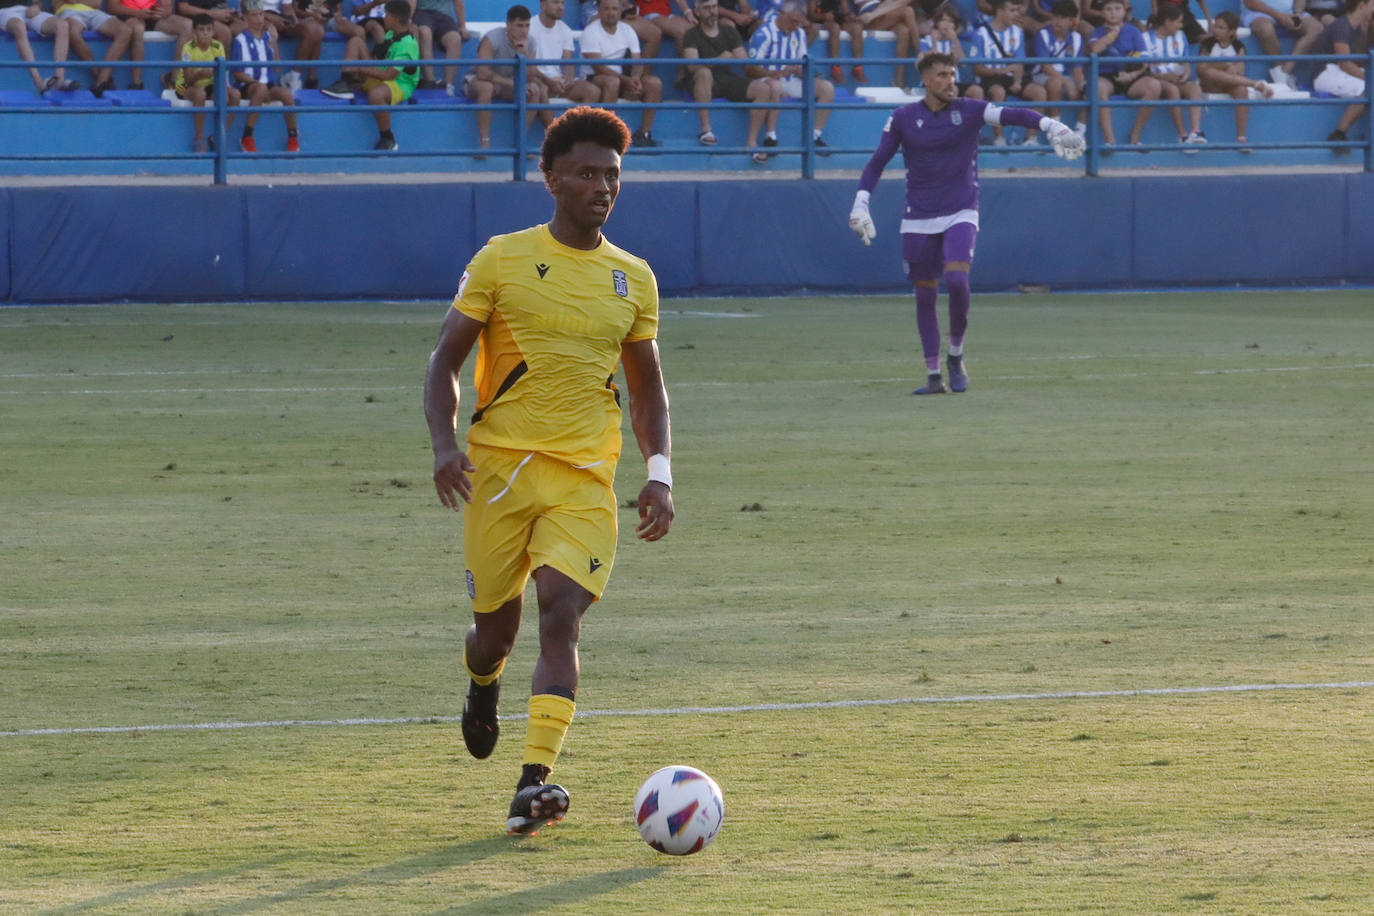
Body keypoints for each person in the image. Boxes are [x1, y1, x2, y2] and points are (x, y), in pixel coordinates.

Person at [424, 105, 674, 837]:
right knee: (494, 635)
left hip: (584, 477)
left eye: (613, 175)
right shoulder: (502, 258)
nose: (603, 186)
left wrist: (659, 472)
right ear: (552, 178)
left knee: (561, 613)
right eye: (588, 173)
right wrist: (445, 445)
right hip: (498, 473)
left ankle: (533, 784)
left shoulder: (633, 278)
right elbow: (444, 360)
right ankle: (481, 683)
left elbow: (649, 385)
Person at [846, 52, 1084, 394]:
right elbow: (877, 162)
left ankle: (955, 355)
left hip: (960, 209)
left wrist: (1053, 125)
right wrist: (860, 202)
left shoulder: (970, 109)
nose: (950, 81)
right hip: (919, 215)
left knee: (957, 280)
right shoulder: (902, 118)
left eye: (952, 74)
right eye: (942, 75)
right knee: (924, 295)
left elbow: (1013, 113)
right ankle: (932, 375)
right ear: (926, 80)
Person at [680, 0, 783, 155]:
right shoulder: (691, 34)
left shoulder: (729, 31)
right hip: (702, 82)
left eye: (714, 7)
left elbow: (743, 60)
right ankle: (706, 130)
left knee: (763, 89)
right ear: (698, 12)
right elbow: (692, 66)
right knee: (703, 73)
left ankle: (751, 143)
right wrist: (720, 59)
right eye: (707, 8)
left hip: (727, 79)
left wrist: (766, 73)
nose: (712, 11)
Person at [321, 0, 419, 149]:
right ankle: (345, 83)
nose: (384, 18)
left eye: (387, 15)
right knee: (356, 41)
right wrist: (362, 66)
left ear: (395, 19)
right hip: (382, 72)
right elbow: (378, 57)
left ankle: (388, 138)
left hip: (401, 83)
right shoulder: (391, 34)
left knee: (376, 94)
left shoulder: (407, 45)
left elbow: (388, 76)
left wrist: (360, 68)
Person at [462, 5, 556, 155]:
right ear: (509, 25)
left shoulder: (530, 42)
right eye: (519, 26)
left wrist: (524, 55)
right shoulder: (492, 39)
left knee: (534, 90)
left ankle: (519, 142)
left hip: (505, 83)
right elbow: (483, 73)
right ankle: (484, 143)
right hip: (477, 81)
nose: (524, 30)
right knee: (486, 87)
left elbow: (531, 76)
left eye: (527, 26)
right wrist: (512, 83)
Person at [745, 0, 834, 154]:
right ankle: (770, 136)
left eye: (799, 23)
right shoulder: (763, 33)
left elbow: (802, 59)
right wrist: (776, 74)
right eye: (793, 21)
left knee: (827, 88)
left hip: (791, 80)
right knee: (776, 86)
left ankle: (814, 137)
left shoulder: (799, 33)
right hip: (767, 80)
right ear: (782, 14)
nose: (796, 26)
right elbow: (751, 69)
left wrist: (801, 69)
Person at [580, 0, 663, 147]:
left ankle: (644, 134)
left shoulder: (627, 30)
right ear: (599, 11)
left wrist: (636, 79)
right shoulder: (590, 32)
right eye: (606, 9)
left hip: (623, 78)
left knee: (654, 83)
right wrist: (626, 80)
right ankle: (608, 134)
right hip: (594, 78)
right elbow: (598, 67)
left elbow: (637, 61)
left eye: (614, 9)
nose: (611, 12)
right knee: (612, 82)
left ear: (620, 11)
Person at [972, 0, 1048, 145]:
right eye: (1012, 11)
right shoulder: (980, 33)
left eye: (1017, 10)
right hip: (991, 77)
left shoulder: (1017, 31)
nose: (1016, 15)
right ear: (1000, 11)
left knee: (1040, 92)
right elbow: (977, 68)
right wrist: (1000, 70)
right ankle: (999, 139)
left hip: (1013, 77)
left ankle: (1031, 139)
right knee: (998, 92)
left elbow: (1019, 62)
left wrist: (1017, 81)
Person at [1090, 0, 1161, 149]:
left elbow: (1145, 59)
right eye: (1108, 9)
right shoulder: (1096, 32)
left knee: (1154, 86)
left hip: (1131, 75)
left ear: (1124, 11)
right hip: (1106, 76)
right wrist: (1113, 33)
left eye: (1117, 8)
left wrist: (1132, 75)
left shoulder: (1134, 31)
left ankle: (1135, 135)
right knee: (1097, 87)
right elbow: (1095, 49)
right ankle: (1110, 141)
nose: (1113, 12)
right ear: (1102, 13)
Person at [1197, 9, 1272, 149]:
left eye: (1221, 28)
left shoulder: (1239, 46)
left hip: (1229, 83)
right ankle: (1254, 84)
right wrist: (1225, 66)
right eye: (1215, 26)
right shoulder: (1207, 43)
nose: (1216, 30)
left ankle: (1241, 138)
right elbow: (1201, 69)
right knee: (1209, 72)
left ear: (1231, 31)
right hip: (1210, 83)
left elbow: (1240, 70)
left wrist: (1227, 68)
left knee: (1241, 90)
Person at [231, 0, 300, 152]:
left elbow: (276, 67)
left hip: (267, 84)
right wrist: (254, 82)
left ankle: (293, 136)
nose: (259, 19)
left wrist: (274, 45)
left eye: (261, 14)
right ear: (246, 18)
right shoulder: (240, 40)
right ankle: (247, 136)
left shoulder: (269, 38)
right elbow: (237, 73)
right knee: (260, 88)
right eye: (254, 15)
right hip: (247, 85)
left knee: (287, 95)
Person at [1307, 0, 1371, 147]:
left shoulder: (1357, 28)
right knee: (1369, 88)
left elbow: (1357, 62)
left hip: (1339, 71)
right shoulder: (1341, 26)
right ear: (1362, 6)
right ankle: (1339, 133)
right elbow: (1345, 64)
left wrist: (1366, 31)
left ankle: (1368, 133)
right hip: (1325, 73)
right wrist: (1369, 78)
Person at [176, 12, 242, 151]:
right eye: (201, 30)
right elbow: (187, 78)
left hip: (210, 84)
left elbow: (221, 75)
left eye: (209, 30)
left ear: (213, 31)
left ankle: (219, 136)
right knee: (200, 95)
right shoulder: (188, 48)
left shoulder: (218, 47)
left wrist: (222, 91)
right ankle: (199, 139)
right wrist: (200, 74)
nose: (205, 33)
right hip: (187, 85)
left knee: (234, 95)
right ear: (194, 32)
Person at [1143, 5, 1205, 147]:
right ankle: (1182, 134)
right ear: (1167, 21)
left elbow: (1186, 62)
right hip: (1157, 79)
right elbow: (1144, 70)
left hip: (1177, 78)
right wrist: (1165, 77)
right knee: (1173, 90)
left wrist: (1186, 74)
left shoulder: (1181, 36)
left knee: (1194, 89)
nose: (1181, 25)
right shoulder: (1145, 38)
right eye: (1178, 21)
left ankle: (1195, 131)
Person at [106, 0, 193, 91]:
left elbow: (168, 6)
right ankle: (137, 84)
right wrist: (137, 13)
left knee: (188, 25)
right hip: (128, 14)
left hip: (152, 15)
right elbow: (113, 8)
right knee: (138, 28)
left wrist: (164, 12)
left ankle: (174, 80)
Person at [527, 0, 601, 105]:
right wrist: (549, 81)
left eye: (562, 3)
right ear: (543, 5)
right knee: (539, 88)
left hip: (558, 81)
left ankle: (578, 121)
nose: (561, 7)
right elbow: (530, 68)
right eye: (556, 2)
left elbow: (568, 62)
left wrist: (569, 80)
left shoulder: (565, 30)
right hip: (538, 80)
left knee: (593, 91)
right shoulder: (529, 28)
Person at [55, 0, 133, 96]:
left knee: (125, 31)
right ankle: (100, 79)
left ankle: (101, 81)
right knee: (72, 32)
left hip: (94, 13)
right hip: (69, 13)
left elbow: (97, 4)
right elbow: (56, 6)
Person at [0, 2, 81, 94]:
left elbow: (37, 2)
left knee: (62, 25)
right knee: (19, 26)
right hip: (4, 12)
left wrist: (36, 7)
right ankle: (38, 81)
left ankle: (60, 80)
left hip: (27, 10)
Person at [1242, 0, 1324, 87]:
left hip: (1290, 12)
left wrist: (1297, 14)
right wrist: (1280, 17)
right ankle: (1278, 68)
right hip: (1259, 12)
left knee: (1317, 28)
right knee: (1265, 29)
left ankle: (1284, 72)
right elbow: (1250, 2)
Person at [1032, 0, 1084, 133]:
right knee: (1055, 83)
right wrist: (1068, 84)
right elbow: (1045, 67)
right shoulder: (1042, 34)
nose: (1057, 21)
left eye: (1062, 18)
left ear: (1071, 21)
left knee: (1089, 89)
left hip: (1066, 76)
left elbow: (1077, 68)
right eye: (1055, 17)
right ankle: (1055, 130)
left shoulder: (1077, 38)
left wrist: (1080, 85)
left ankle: (1080, 131)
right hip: (1042, 76)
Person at [919, 4, 983, 100]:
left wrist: (955, 42)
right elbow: (927, 63)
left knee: (976, 91)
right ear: (937, 23)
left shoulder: (955, 42)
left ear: (955, 26)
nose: (947, 24)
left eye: (951, 21)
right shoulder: (926, 41)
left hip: (955, 82)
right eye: (944, 20)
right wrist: (934, 43)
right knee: (953, 90)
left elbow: (964, 64)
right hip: (934, 83)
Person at [853, 0, 918, 89]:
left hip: (882, 13)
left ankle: (898, 80)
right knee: (907, 11)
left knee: (904, 31)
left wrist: (875, 13)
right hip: (868, 16)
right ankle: (920, 54)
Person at [261, 0, 325, 89]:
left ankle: (293, 77)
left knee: (315, 29)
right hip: (257, 16)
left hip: (278, 16)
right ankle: (267, 83)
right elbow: (248, 10)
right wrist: (270, 17)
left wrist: (292, 19)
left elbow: (287, 8)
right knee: (270, 30)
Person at [413, 0, 469, 91]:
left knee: (455, 39)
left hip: (444, 16)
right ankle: (430, 81)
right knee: (424, 32)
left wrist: (462, 26)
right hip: (422, 13)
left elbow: (458, 3)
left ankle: (448, 85)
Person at [808, 0, 867, 84]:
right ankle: (836, 68)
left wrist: (850, 16)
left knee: (857, 28)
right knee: (835, 28)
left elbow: (845, 12)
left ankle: (858, 68)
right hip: (823, 22)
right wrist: (824, 16)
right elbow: (810, 16)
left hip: (838, 20)